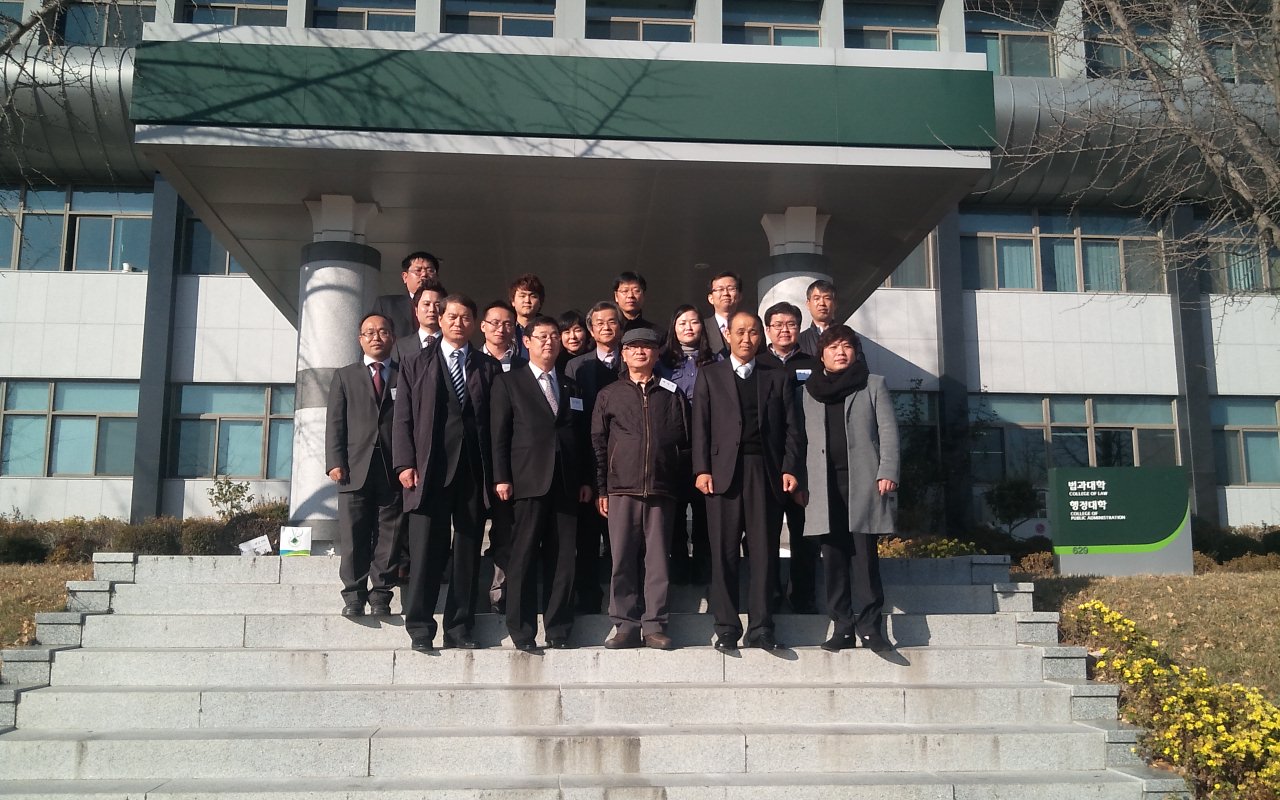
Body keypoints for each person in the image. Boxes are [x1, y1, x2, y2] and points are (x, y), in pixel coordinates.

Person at [392, 294, 501, 652]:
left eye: (465, 317)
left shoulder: (487, 366)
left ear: (474, 324)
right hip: (429, 470)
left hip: (472, 470)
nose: (458, 323)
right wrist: (404, 463)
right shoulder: (415, 362)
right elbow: (402, 417)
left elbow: (497, 422)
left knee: (467, 552)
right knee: (426, 551)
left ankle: (459, 627)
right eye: (451, 316)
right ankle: (420, 627)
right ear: (439, 320)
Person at [692, 310, 803, 652]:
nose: (746, 338)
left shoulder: (777, 376)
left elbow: (793, 427)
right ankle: (726, 627)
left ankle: (762, 627)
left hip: (764, 473)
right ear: (727, 335)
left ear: (761, 337)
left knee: (764, 552)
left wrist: (790, 467)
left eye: (753, 332)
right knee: (723, 552)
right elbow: (700, 426)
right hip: (722, 475)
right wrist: (701, 469)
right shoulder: (710, 375)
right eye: (739, 332)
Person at [490, 315, 592, 651]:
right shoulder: (509, 382)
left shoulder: (571, 385)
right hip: (526, 481)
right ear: (527, 342)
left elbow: (581, 437)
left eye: (554, 336)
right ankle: (521, 631)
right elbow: (499, 435)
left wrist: (586, 479)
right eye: (542, 336)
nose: (549, 342)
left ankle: (559, 629)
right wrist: (501, 476)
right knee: (523, 556)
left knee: (563, 559)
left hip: (566, 483)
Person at [798, 325, 897, 653]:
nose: (841, 352)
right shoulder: (808, 391)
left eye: (847, 346)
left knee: (864, 557)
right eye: (833, 347)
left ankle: (870, 628)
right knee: (833, 558)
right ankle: (842, 627)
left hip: (864, 482)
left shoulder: (873, 384)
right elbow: (800, 441)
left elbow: (888, 431)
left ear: (855, 352)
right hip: (823, 485)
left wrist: (888, 470)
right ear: (821, 354)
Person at [592, 327, 689, 650]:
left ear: (657, 353)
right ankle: (625, 624)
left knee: (658, 561)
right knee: (621, 559)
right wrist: (602, 488)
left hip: (662, 488)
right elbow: (599, 443)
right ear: (623, 353)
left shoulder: (672, 393)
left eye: (646, 347)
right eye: (633, 347)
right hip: (621, 488)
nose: (640, 352)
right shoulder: (610, 394)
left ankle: (655, 625)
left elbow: (685, 441)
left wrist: (674, 477)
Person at [325, 313, 403, 617]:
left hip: (394, 467)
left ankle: (381, 593)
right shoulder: (345, 376)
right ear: (360, 339)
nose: (376, 337)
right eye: (369, 332)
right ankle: (354, 594)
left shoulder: (405, 374)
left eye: (382, 331)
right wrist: (335, 461)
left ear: (392, 337)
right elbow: (335, 421)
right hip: (353, 467)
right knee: (354, 534)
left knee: (389, 535)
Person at [758, 301, 820, 614]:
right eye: (778, 325)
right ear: (767, 330)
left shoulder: (814, 364)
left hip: (804, 462)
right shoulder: (757, 364)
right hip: (765, 462)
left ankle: (803, 597)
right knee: (763, 535)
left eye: (791, 324)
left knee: (804, 534)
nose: (785, 330)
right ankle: (769, 595)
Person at [565, 300, 624, 613]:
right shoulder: (577, 366)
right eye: (599, 323)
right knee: (586, 538)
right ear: (590, 329)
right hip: (588, 461)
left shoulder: (631, 359)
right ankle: (588, 598)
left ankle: (624, 601)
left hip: (626, 461)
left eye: (611, 321)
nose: (606, 327)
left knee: (624, 540)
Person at [657, 304, 718, 585]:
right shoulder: (662, 363)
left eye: (694, 322)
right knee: (676, 513)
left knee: (705, 512)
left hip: (708, 447)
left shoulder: (715, 361)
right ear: (674, 328)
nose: (688, 328)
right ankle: (679, 569)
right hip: (676, 448)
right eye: (682, 323)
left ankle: (705, 570)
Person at [373, 251, 440, 338]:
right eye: (418, 270)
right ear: (405, 277)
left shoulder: (447, 305)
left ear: (437, 277)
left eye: (430, 270)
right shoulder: (385, 305)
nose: (424, 274)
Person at [392, 280, 446, 365]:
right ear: (416, 310)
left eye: (437, 305)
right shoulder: (400, 347)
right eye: (426, 304)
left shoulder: (453, 343)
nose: (432, 309)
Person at [703, 271, 742, 358]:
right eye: (720, 289)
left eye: (731, 289)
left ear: (739, 296)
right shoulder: (702, 327)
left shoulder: (752, 325)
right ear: (711, 298)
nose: (725, 293)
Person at [479, 300, 524, 372]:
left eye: (507, 324)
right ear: (483, 326)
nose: (501, 330)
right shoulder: (470, 361)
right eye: (495, 323)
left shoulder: (523, 366)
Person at [509, 273, 545, 359]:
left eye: (533, 296)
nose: (527, 300)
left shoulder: (548, 330)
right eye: (522, 296)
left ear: (540, 302)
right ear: (513, 301)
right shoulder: (505, 329)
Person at [798, 279, 836, 358]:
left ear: (835, 304)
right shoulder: (799, 340)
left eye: (827, 298)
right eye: (817, 298)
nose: (822, 303)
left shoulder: (848, 337)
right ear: (808, 304)